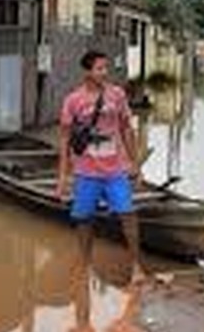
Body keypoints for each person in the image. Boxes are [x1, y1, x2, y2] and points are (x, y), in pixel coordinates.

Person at [57, 50, 146, 285]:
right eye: (99, 68)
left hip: (116, 170)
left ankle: (136, 265)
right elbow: (65, 139)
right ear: (87, 71)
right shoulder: (73, 100)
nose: (104, 72)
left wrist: (135, 163)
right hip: (86, 172)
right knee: (84, 219)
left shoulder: (116, 95)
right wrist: (63, 177)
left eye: (106, 68)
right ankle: (85, 264)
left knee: (128, 214)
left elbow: (127, 129)